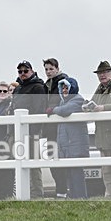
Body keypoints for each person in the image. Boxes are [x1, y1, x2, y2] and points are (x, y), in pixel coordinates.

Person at [86, 61, 111, 198]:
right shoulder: (99, 89)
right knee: (107, 172)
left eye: (105, 72)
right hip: (102, 138)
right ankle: (110, 197)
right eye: (100, 73)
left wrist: (102, 108)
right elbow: (93, 102)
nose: (102, 75)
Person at [47, 77, 89, 199]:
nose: (65, 90)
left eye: (67, 88)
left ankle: (81, 198)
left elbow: (65, 111)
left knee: (77, 174)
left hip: (75, 145)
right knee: (70, 174)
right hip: (66, 145)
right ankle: (74, 197)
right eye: (63, 88)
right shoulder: (62, 102)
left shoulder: (78, 99)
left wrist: (53, 110)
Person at [11, 60, 46, 198]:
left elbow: (39, 110)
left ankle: (37, 193)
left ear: (32, 71)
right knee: (19, 162)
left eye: (26, 71)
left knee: (33, 163)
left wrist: (34, 131)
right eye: (20, 71)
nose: (23, 74)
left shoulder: (38, 87)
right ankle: (22, 192)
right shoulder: (19, 88)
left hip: (32, 132)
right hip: (18, 132)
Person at [42, 58, 70, 198]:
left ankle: (63, 191)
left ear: (58, 69)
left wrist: (53, 109)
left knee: (60, 161)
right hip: (50, 129)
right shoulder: (46, 84)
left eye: (51, 69)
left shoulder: (64, 82)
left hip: (60, 128)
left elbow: (66, 100)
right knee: (53, 160)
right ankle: (61, 191)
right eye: (46, 69)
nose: (48, 72)